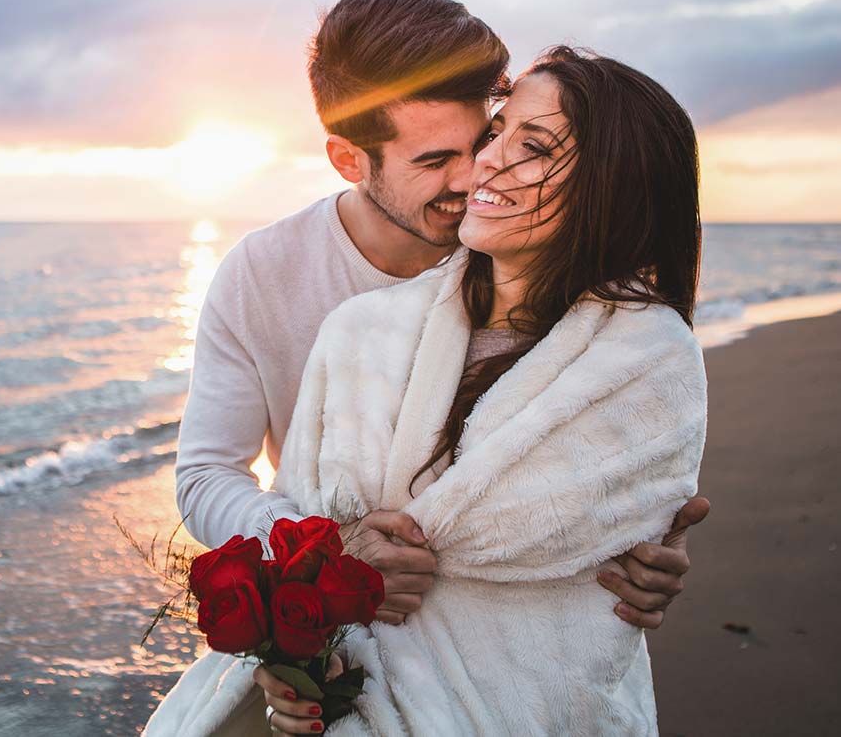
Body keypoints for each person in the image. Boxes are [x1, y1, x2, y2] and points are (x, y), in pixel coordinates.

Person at [254, 45, 707, 735]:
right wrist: (292, 656)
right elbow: (291, 529)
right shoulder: (359, 334)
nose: (485, 161)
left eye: (536, 146)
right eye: (497, 132)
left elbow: (581, 553)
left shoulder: (646, 360)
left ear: (612, 185)